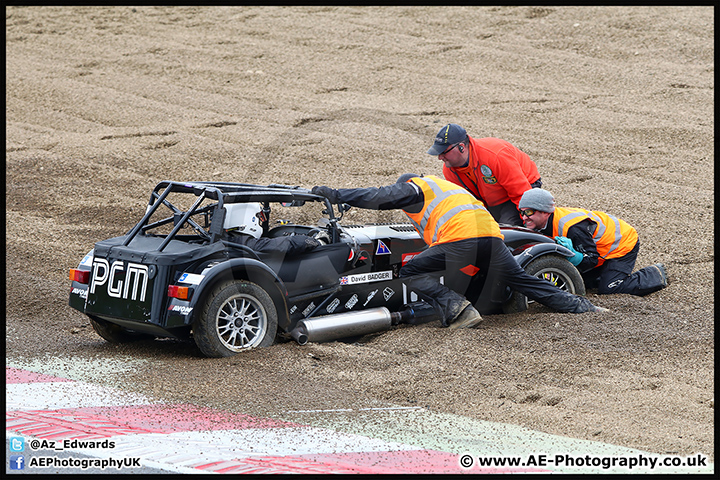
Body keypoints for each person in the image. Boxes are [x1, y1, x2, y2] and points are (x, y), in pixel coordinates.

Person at [312, 174, 607, 330]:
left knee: (411, 271)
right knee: (524, 281)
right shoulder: (449, 191)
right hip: (491, 237)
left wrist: (336, 195)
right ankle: (586, 308)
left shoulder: (416, 187)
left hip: (461, 239)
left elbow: (379, 196)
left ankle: (459, 309)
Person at [518, 188, 668, 296]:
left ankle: (655, 274)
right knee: (585, 283)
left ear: (545, 211)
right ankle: (602, 275)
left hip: (622, 244)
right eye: (522, 212)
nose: (524, 217)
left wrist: (574, 257)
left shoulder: (573, 228)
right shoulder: (537, 225)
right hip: (599, 247)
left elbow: (591, 258)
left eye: (529, 212)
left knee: (609, 288)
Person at [427, 123, 541, 226]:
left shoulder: (495, 156)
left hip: (523, 190)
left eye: (443, 152)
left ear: (461, 147)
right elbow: (467, 202)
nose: (440, 157)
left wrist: (531, 222)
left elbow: (521, 193)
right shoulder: (450, 169)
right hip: (490, 199)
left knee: (506, 231)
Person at [223, 203, 322, 255]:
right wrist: (316, 241)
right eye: (258, 217)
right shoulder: (248, 243)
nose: (260, 221)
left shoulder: (224, 240)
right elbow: (290, 244)